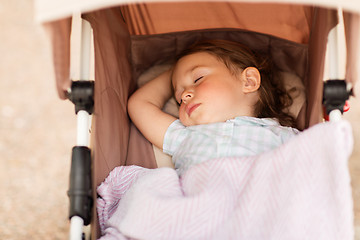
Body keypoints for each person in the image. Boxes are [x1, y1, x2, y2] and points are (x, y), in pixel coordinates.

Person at [128, 39, 299, 175]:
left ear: (249, 81)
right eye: (179, 98)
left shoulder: (285, 137)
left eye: (198, 79)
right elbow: (140, 105)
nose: (185, 96)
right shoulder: (185, 136)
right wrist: (174, 72)